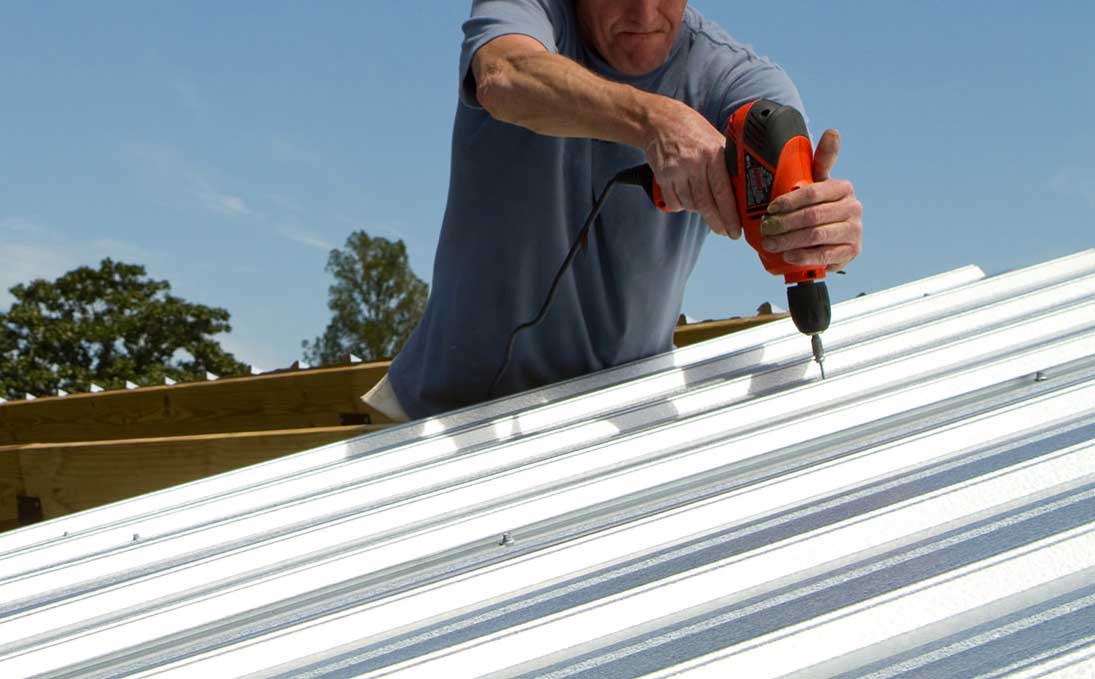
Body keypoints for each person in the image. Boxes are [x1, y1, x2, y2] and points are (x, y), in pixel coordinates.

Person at [364, 0, 863, 421]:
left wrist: (815, 231)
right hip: (440, 414)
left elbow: (785, 187)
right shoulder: (530, 12)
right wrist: (654, 120)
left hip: (613, 425)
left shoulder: (735, 79)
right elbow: (504, 75)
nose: (645, 11)